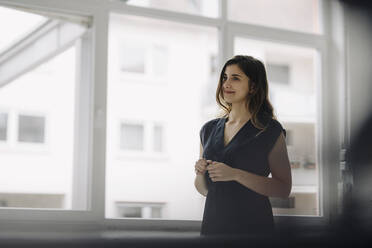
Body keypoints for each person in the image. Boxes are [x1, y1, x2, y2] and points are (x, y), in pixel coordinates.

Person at [194, 55, 292, 236]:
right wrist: (200, 173)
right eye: (224, 77)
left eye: (235, 78)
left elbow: (283, 188)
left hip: (253, 231)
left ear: (253, 86)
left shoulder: (269, 130)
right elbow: (205, 190)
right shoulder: (207, 130)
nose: (226, 83)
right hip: (213, 230)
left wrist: (235, 174)